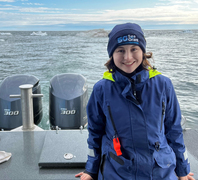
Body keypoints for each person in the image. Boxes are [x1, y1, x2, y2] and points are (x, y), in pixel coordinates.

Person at [75, 23, 195, 180]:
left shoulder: (163, 84)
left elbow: (174, 130)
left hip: (161, 170)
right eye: (120, 50)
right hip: (117, 171)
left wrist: (183, 169)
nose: (128, 57)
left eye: (134, 49)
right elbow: (95, 133)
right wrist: (91, 170)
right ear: (112, 54)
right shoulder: (101, 89)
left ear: (143, 52)